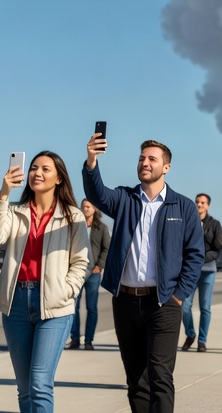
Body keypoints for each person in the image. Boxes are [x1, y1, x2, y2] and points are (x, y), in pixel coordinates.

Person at [84, 136, 204, 413]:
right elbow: (96, 193)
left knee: (160, 376)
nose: (145, 163)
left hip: (163, 303)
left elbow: (195, 254)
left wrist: (178, 296)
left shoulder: (183, 206)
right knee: (136, 379)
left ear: (167, 167)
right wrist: (92, 161)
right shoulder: (124, 198)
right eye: (141, 158)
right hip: (125, 301)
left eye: (152, 159)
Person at [0, 151, 90, 413]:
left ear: (59, 179)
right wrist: (3, 193)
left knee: (40, 384)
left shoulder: (73, 216)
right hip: (16, 304)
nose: (37, 173)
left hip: (54, 307)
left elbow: (81, 261)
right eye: (33, 168)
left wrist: (67, 291)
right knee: (25, 387)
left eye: (45, 169)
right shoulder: (14, 212)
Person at [181, 192, 222, 352]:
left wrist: (200, 258)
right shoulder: (187, 222)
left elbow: (218, 248)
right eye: (197, 202)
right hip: (189, 271)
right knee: (185, 306)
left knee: (205, 307)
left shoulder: (214, 224)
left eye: (203, 202)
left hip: (208, 270)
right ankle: (190, 334)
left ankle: (202, 341)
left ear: (208, 206)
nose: (199, 205)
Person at [69, 198, 111, 350]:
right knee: (73, 307)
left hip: (93, 273)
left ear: (94, 209)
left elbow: (107, 248)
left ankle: (88, 340)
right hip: (77, 272)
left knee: (91, 307)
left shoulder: (101, 228)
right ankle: (75, 339)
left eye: (88, 206)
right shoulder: (76, 226)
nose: (85, 209)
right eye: (83, 207)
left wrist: (100, 265)